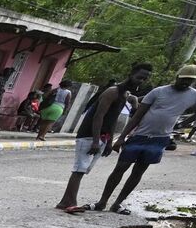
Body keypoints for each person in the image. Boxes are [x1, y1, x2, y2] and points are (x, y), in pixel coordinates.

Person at [95, 64, 196, 214]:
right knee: (120, 168)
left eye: (190, 80)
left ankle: (117, 203)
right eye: (184, 79)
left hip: (159, 139)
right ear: (178, 76)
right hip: (139, 136)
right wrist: (122, 137)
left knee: (138, 172)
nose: (186, 82)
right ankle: (103, 201)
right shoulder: (159, 91)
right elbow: (137, 116)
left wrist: (183, 123)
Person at [57, 64, 150, 213]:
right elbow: (98, 116)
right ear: (131, 73)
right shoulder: (112, 92)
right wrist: (95, 140)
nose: (141, 81)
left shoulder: (125, 95)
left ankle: (65, 201)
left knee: (84, 169)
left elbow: (112, 119)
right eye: (139, 77)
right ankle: (69, 202)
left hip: (103, 136)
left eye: (144, 79)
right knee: (79, 169)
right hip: (89, 134)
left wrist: (108, 141)